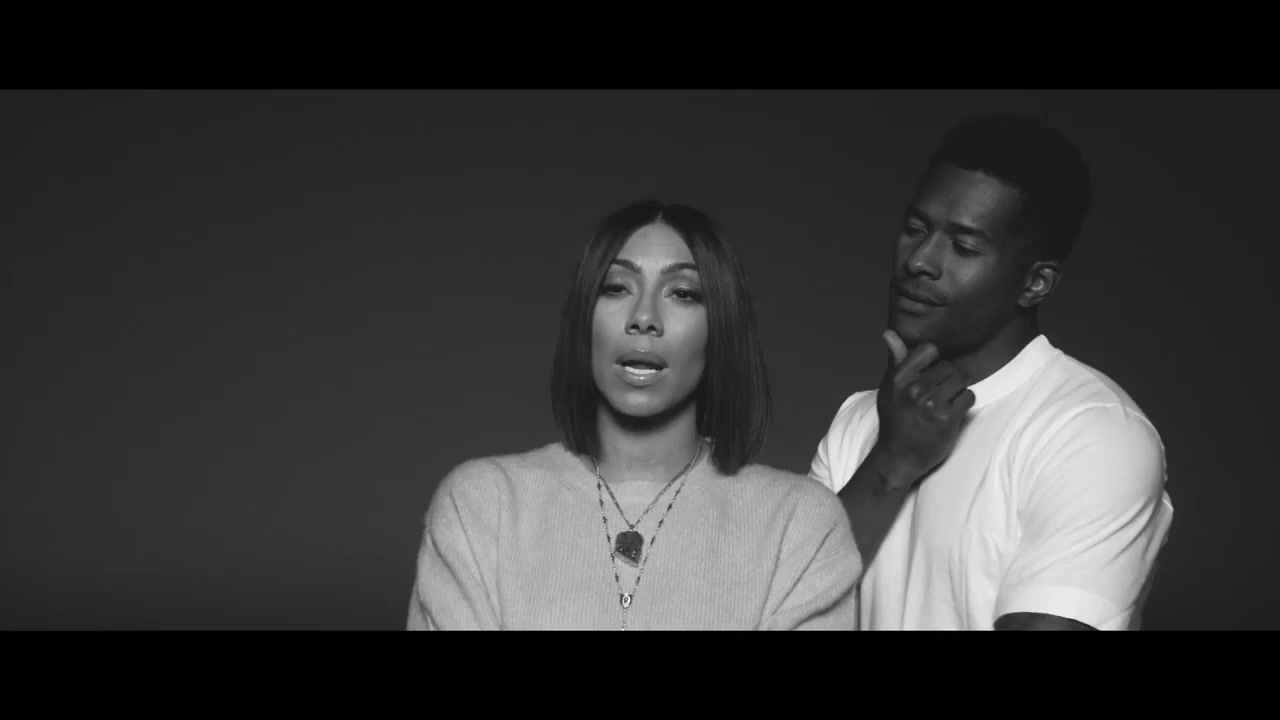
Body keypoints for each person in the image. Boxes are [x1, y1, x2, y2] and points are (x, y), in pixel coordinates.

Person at [409, 200, 861, 630]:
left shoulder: (799, 526)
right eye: (616, 288)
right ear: (585, 316)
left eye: (683, 293)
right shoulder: (481, 507)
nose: (644, 317)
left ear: (720, 327)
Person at [809, 114, 1173, 630]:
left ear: (1035, 283)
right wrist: (891, 460)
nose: (920, 261)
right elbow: (772, 609)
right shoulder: (858, 422)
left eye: (963, 247)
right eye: (915, 229)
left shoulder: (1094, 434)